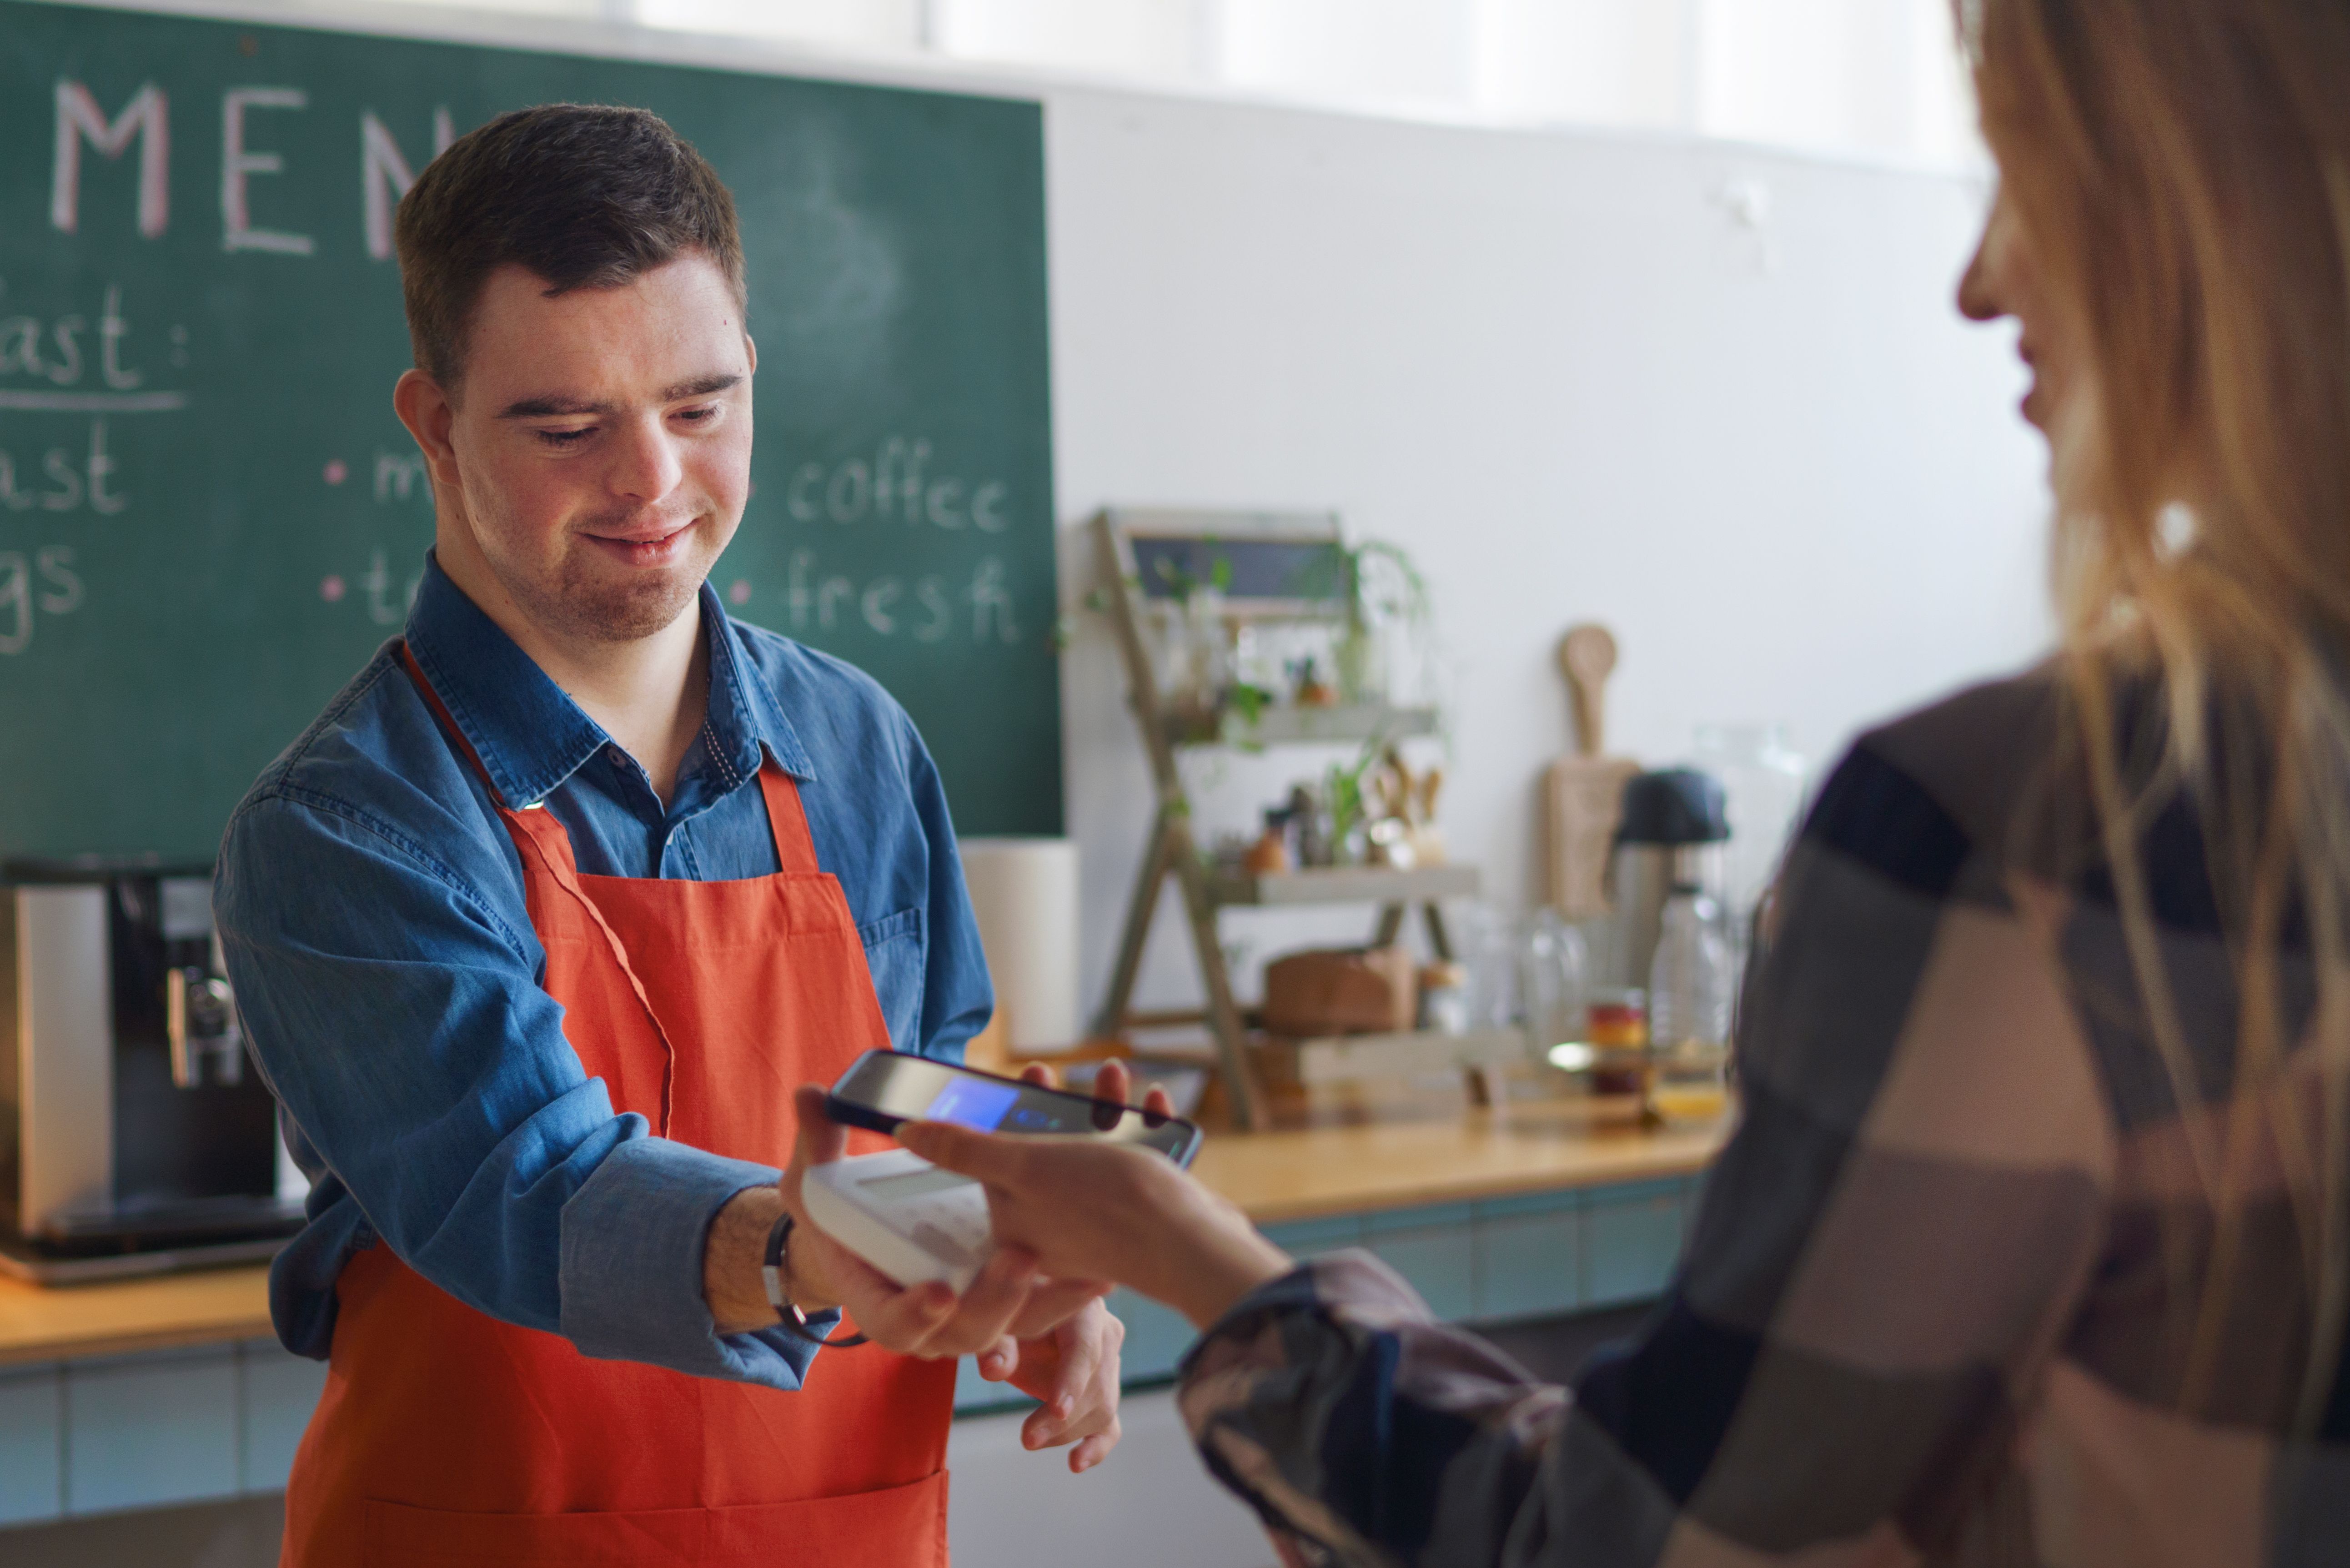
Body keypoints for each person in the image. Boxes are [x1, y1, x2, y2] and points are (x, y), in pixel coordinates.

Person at [895, 3, 2350, 1562]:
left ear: (2215, 200)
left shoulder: (2015, 824)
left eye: (2031, 179)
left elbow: (1625, 1545)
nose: (1979, 278)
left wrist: (1213, 1271)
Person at [214, 104, 1126, 1567]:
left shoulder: (860, 745)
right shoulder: (348, 824)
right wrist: (818, 1247)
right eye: (567, 427)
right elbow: (532, 1183)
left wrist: (1032, 1234)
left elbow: (927, 1092)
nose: (651, 484)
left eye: (699, 408)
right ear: (436, 426)